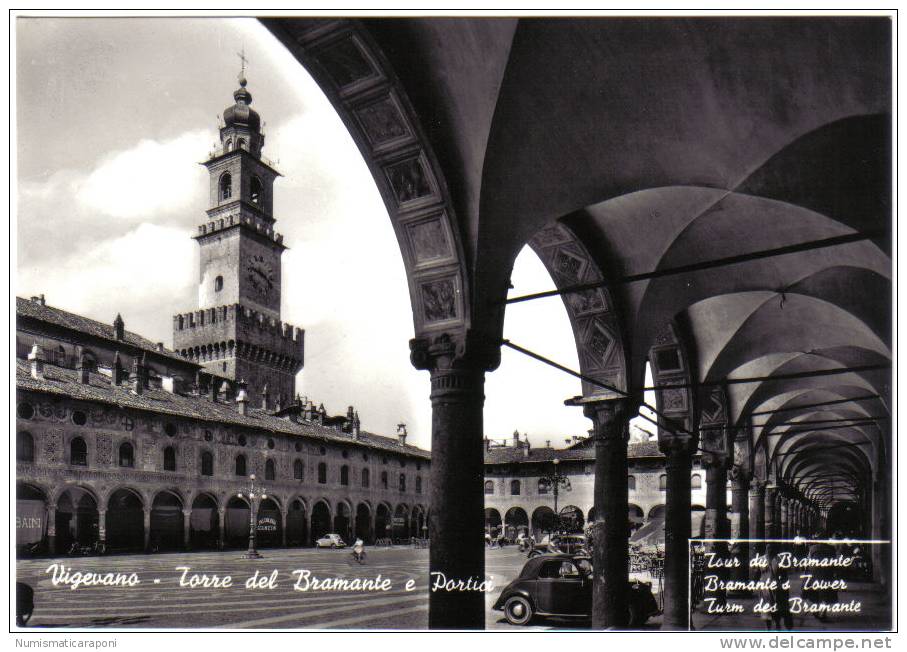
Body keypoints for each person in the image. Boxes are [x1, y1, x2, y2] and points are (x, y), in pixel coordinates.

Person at [758, 544, 793, 631]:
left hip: (778, 588)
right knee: (766, 610)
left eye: (771, 548)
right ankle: (768, 629)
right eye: (767, 547)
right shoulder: (761, 559)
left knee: (777, 609)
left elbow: (784, 575)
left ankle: (777, 626)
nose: (769, 549)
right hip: (765, 589)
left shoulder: (780, 560)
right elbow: (757, 574)